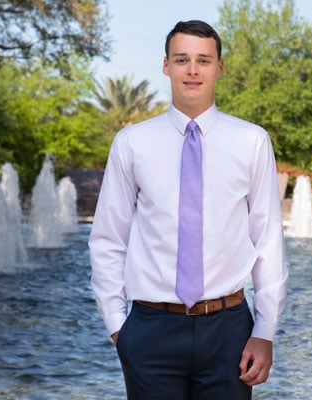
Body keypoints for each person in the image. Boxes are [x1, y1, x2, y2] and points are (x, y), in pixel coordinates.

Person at [89, 20, 288, 399]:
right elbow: (108, 238)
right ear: (166, 66)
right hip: (151, 328)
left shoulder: (252, 142)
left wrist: (264, 331)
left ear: (220, 67)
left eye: (203, 60)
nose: (193, 70)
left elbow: (268, 241)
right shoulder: (132, 143)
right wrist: (119, 328)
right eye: (182, 60)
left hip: (229, 330)